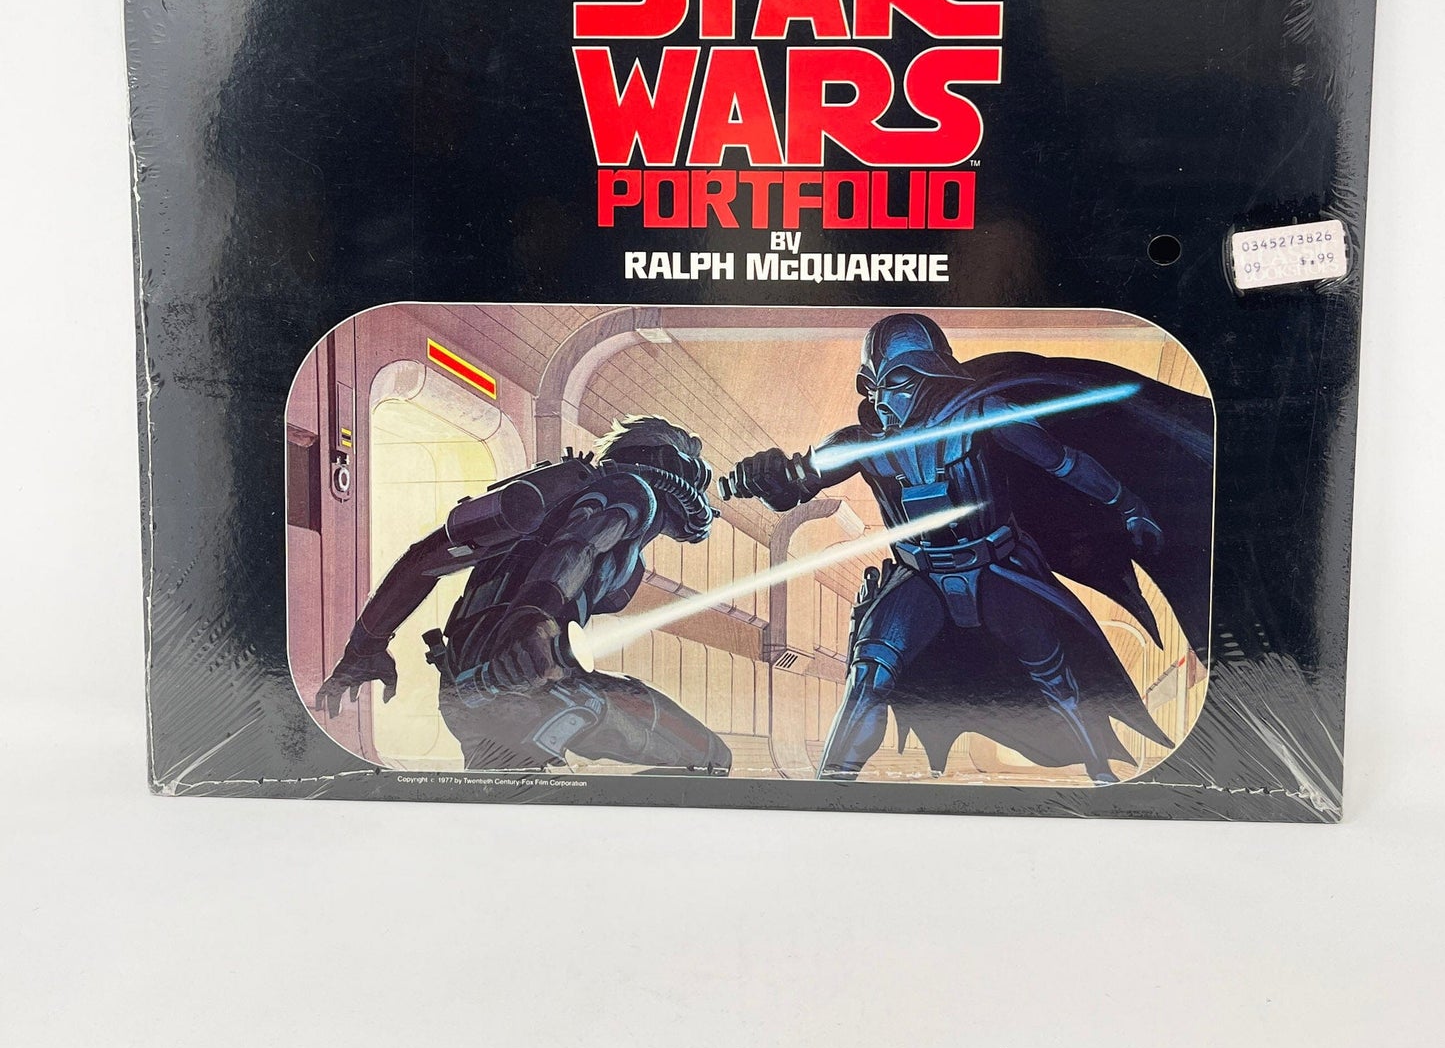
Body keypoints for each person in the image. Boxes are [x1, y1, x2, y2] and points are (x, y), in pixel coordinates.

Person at [724, 313, 1212, 784]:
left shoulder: (984, 414)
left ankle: (1099, 769)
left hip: (999, 568)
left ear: (929, 373)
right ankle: (831, 785)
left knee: (1056, 678)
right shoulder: (861, 443)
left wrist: (1127, 504)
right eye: (870, 387)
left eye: (894, 382)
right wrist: (764, 476)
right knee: (868, 675)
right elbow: (795, 483)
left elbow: (1064, 463)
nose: (881, 401)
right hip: (921, 579)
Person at [316, 416, 731, 775]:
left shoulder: (552, 502)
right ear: (672, 467)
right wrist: (533, 619)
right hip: (535, 689)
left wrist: (364, 646)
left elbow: (424, 560)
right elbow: (579, 546)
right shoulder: (634, 492)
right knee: (710, 759)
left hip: (466, 695)